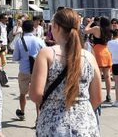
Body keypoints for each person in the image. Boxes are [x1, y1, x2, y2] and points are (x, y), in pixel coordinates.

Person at [29, 8, 102, 136]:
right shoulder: (89, 56)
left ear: (56, 26)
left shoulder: (47, 54)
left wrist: (53, 104)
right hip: (85, 124)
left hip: (53, 125)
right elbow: (97, 98)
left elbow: (35, 94)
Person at [12, 19, 45, 120]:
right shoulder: (39, 40)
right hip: (37, 71)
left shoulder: (19, 41)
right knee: (38, 93)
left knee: (23, 93)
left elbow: (15, 58)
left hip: (24, 70)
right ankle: (38, 117)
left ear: (23, 29)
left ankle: (22, 112)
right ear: (33, 28)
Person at [84, 16, 113, 103]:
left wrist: (90, 22)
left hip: (97, 51)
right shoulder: (109, 30)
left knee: (98, 75)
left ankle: (98, 95)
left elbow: (86, 30)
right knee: (107, 76)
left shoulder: (97, 28)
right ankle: (109, 95)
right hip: (106, 51)